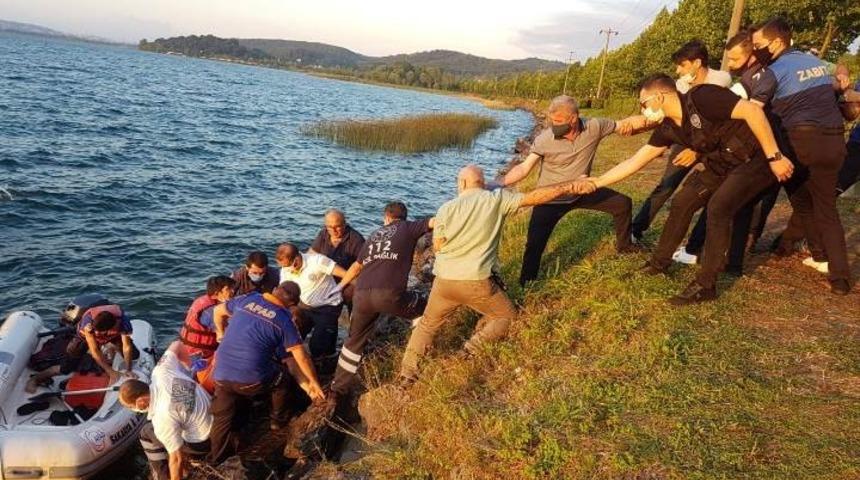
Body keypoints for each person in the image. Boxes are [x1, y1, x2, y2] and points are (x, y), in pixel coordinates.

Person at [579, 73, 793, 305]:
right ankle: (659, 263)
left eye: (644, 104)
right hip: (722, 162)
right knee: (683, 201)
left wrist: (775, 156)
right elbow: (635, 161)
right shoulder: (668, 127)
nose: (643, 111)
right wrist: (597, 182)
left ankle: (705, 285)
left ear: (659, 97)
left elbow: (753, 111)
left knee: (718, 207)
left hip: (758, 157)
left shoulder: (703, 96)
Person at [398, 165, 582, 383]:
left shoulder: (446, 208)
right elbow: (533, 197)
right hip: (476, 280)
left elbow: (438, 246)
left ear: (462, 184)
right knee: (506, 316)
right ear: (482, 184)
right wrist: (568, 187)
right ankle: (469, 349)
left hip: (444, 281)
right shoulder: (495, 199)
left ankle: (407, 375)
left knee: (428, 324)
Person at [493, 95, 648, 286]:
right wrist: (498, 183)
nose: (553, 125)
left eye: (558, 121)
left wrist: (654, 119)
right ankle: (527, 283)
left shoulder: (594, 126)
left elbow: (623, 125)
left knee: (622, 203)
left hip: (581, 191)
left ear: (573, 118)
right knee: (534, 245)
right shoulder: (544, 139)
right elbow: (524, 168)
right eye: (552, 120)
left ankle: (625, 246)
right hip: (550, 198)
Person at [752, 17, 853, 294]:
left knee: (799, 198)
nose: (755, 49)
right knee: (826, 209)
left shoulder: (774, 70)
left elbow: (753, 109)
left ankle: (814, 253)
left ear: (776, 42)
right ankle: (839, 277)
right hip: (834, 141)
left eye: (758, 44)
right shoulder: (817, 64)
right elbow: (838, 86)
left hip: (801, 141)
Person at [207, 281, 325, 465]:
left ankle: (218, 461)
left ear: (274, 290)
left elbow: (217, 311)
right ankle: (278, 421)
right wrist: (313, 385)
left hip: (220, 372)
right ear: (292, 303)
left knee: (221, 418)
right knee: (282, 378)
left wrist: (220, 333)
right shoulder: (285, 320)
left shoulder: (248, 299)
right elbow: (298, 360)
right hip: (250, 380)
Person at [630, 40, 733, 243]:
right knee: (667, 184)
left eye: (682, 65)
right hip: (684, 141)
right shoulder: (678, 85)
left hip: (712, 146)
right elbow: (668, 114)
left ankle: (696, 244)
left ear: (697, 63)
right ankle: (637, 228)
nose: (678, 70)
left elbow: (720, 122)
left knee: (712, 193)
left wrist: (697, 152)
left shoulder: (722, 80)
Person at [330, 201, 434, 396]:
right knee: (426, 306)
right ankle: (416, 354)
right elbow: (435, 222)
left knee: (353, 342)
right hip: (389, 294)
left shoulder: (373, 236)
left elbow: (356, 267)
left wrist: (340, 286)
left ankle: (338, 389)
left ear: (386, 218)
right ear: (403, 217)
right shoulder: (408, 227)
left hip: (361, 295)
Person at [119, 341, 212, 480]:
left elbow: (176, 459)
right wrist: (188, 366)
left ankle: (161, 475)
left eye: (133, 406)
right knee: (178, 419)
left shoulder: (162, 418)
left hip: (203, 442)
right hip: (213, 418)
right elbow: (177, 344)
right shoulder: (160, 371)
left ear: (141, 401)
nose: (135, 409)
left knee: (146, 432)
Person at [26, 303, 139, 392]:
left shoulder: (123, 322)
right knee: (66, 368)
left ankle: (111, 347)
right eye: (97, 332)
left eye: (101, 333)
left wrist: (129, 370)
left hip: (113, 336)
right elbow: (94, 350)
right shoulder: (88, 325)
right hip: (84, 339)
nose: (99, 335)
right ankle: (35, 379)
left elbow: (127, 346)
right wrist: (111, 372)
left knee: (134, 355)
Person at [276, 243, 352, 360]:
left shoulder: (317, 261)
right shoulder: (285, 270)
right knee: (291, 336)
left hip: (327, 306)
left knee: (319, 346)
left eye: (287, 266)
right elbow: (284, 293)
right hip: (304, 305)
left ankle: (328, 355)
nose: (285, 269)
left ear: (296, 260)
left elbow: (346, 274)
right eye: (283, 267)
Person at [177, 275, 236, 391]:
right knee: (204, 385)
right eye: (228, 289)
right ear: (217, 292)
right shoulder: (211, 312)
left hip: (188, 348)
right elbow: (227, 332)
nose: (232, 291)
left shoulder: (202, 300)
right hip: (200, 355)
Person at [309, 208, 365, 303]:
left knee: (349, 294)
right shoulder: (324, 234)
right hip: (326, 277)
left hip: (348, 280)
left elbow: (361, 266)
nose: (333, 230)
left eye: (337, 226)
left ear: (344, 224)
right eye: (329, 227)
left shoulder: (356, 240)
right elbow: (312, 253)